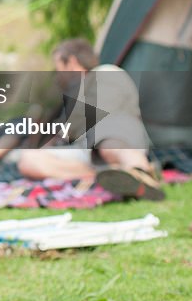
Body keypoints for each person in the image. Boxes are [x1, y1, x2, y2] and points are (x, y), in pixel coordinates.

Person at [11, 39, 165, 200]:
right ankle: (111, 177)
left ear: (71, 61)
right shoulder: (73, 94)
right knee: (29, 160)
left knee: (107, 142)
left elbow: (102, 113)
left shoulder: (106, 72)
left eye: (58, 67)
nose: (57, 74)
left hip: (118, 137)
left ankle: (141, 171)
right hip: (87, 151)